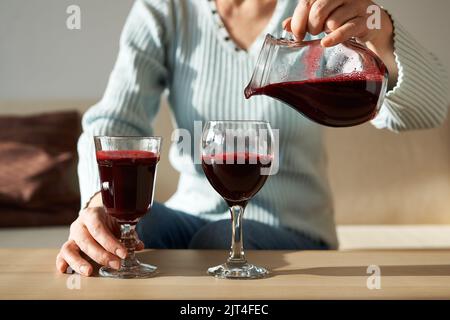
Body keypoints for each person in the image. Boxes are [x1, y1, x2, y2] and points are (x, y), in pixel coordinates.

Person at [56, 0, 448, 276]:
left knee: (215, 239)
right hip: (189, 217)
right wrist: (98, 202)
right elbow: (115, 120)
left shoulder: (314, 14)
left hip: (293, 229)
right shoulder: (166, 8)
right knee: (128, 233)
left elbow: (432, 108)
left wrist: (381, 31)